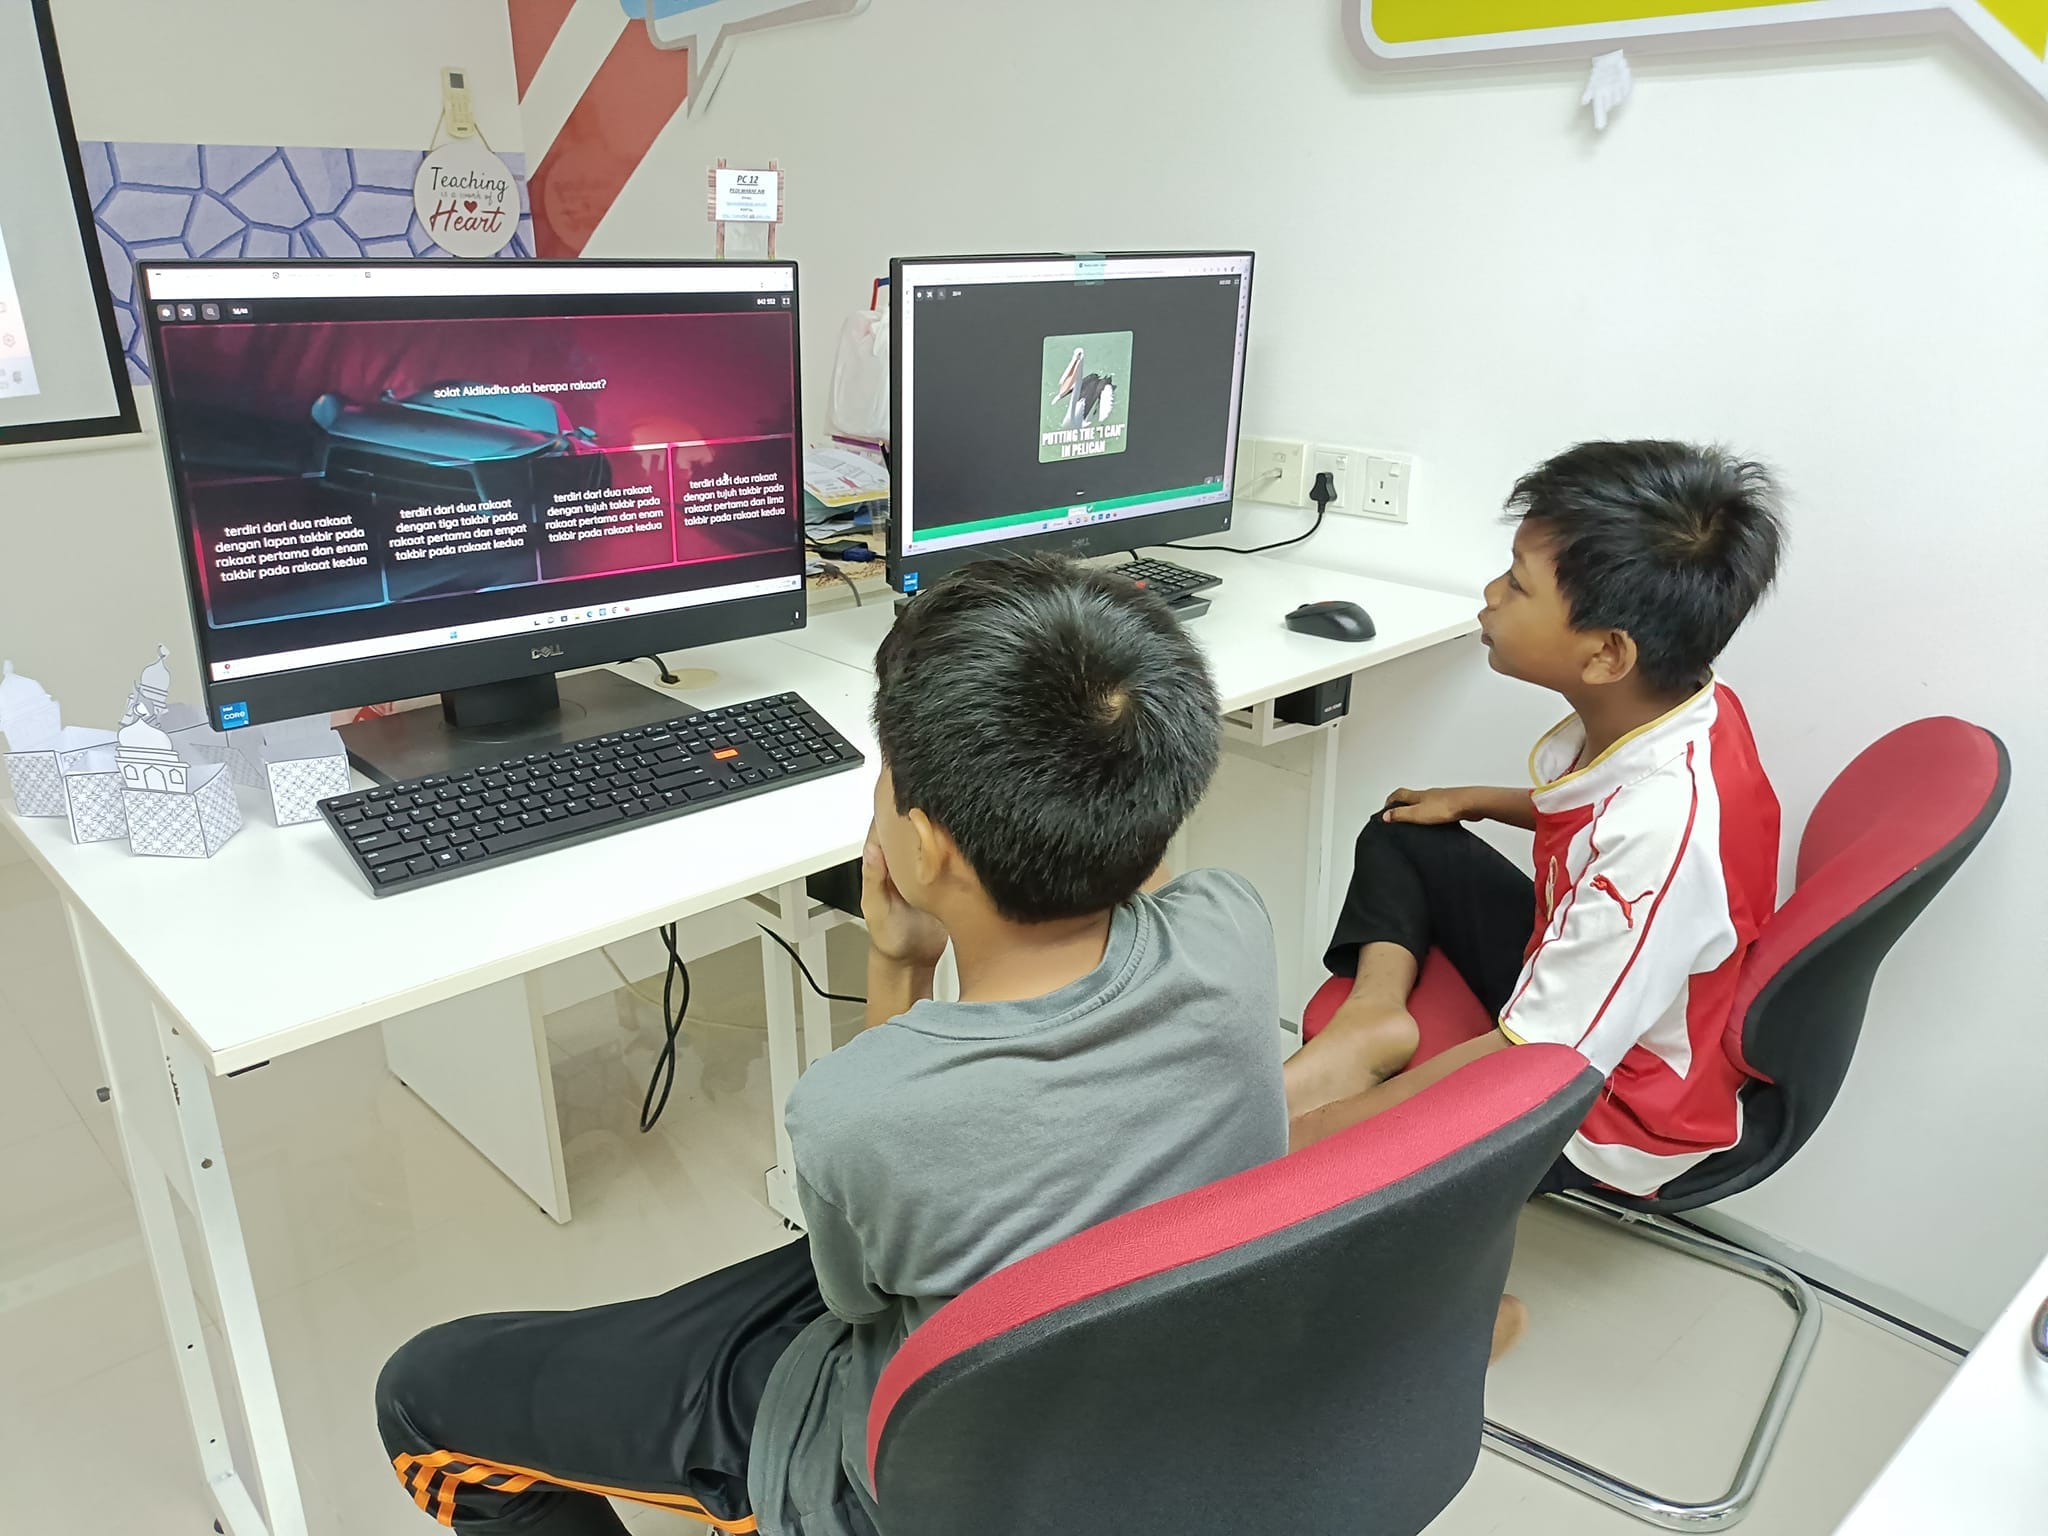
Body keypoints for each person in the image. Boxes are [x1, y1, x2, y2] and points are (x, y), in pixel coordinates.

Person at [375, 555, 1287, 1535]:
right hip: (1146, 1405)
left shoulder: (858, 1113)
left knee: (423, 1393)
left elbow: (850, 1299)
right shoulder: (1232, 925)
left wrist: (896, 960)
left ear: (925, 846)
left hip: (891, 1478)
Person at [1285, 441, 1787, 1204]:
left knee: (1315, 1170)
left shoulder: (1662, 834)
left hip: (1598, 1107)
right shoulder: (1684, 706)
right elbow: (1597, 821)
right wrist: (1479, 800)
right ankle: (1374, 1017)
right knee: (1404, 827)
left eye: (1517, 585)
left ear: (1606, 654)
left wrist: (1321, 1135)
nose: (1491, 593)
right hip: (1574, 959)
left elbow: (1539, 1060)